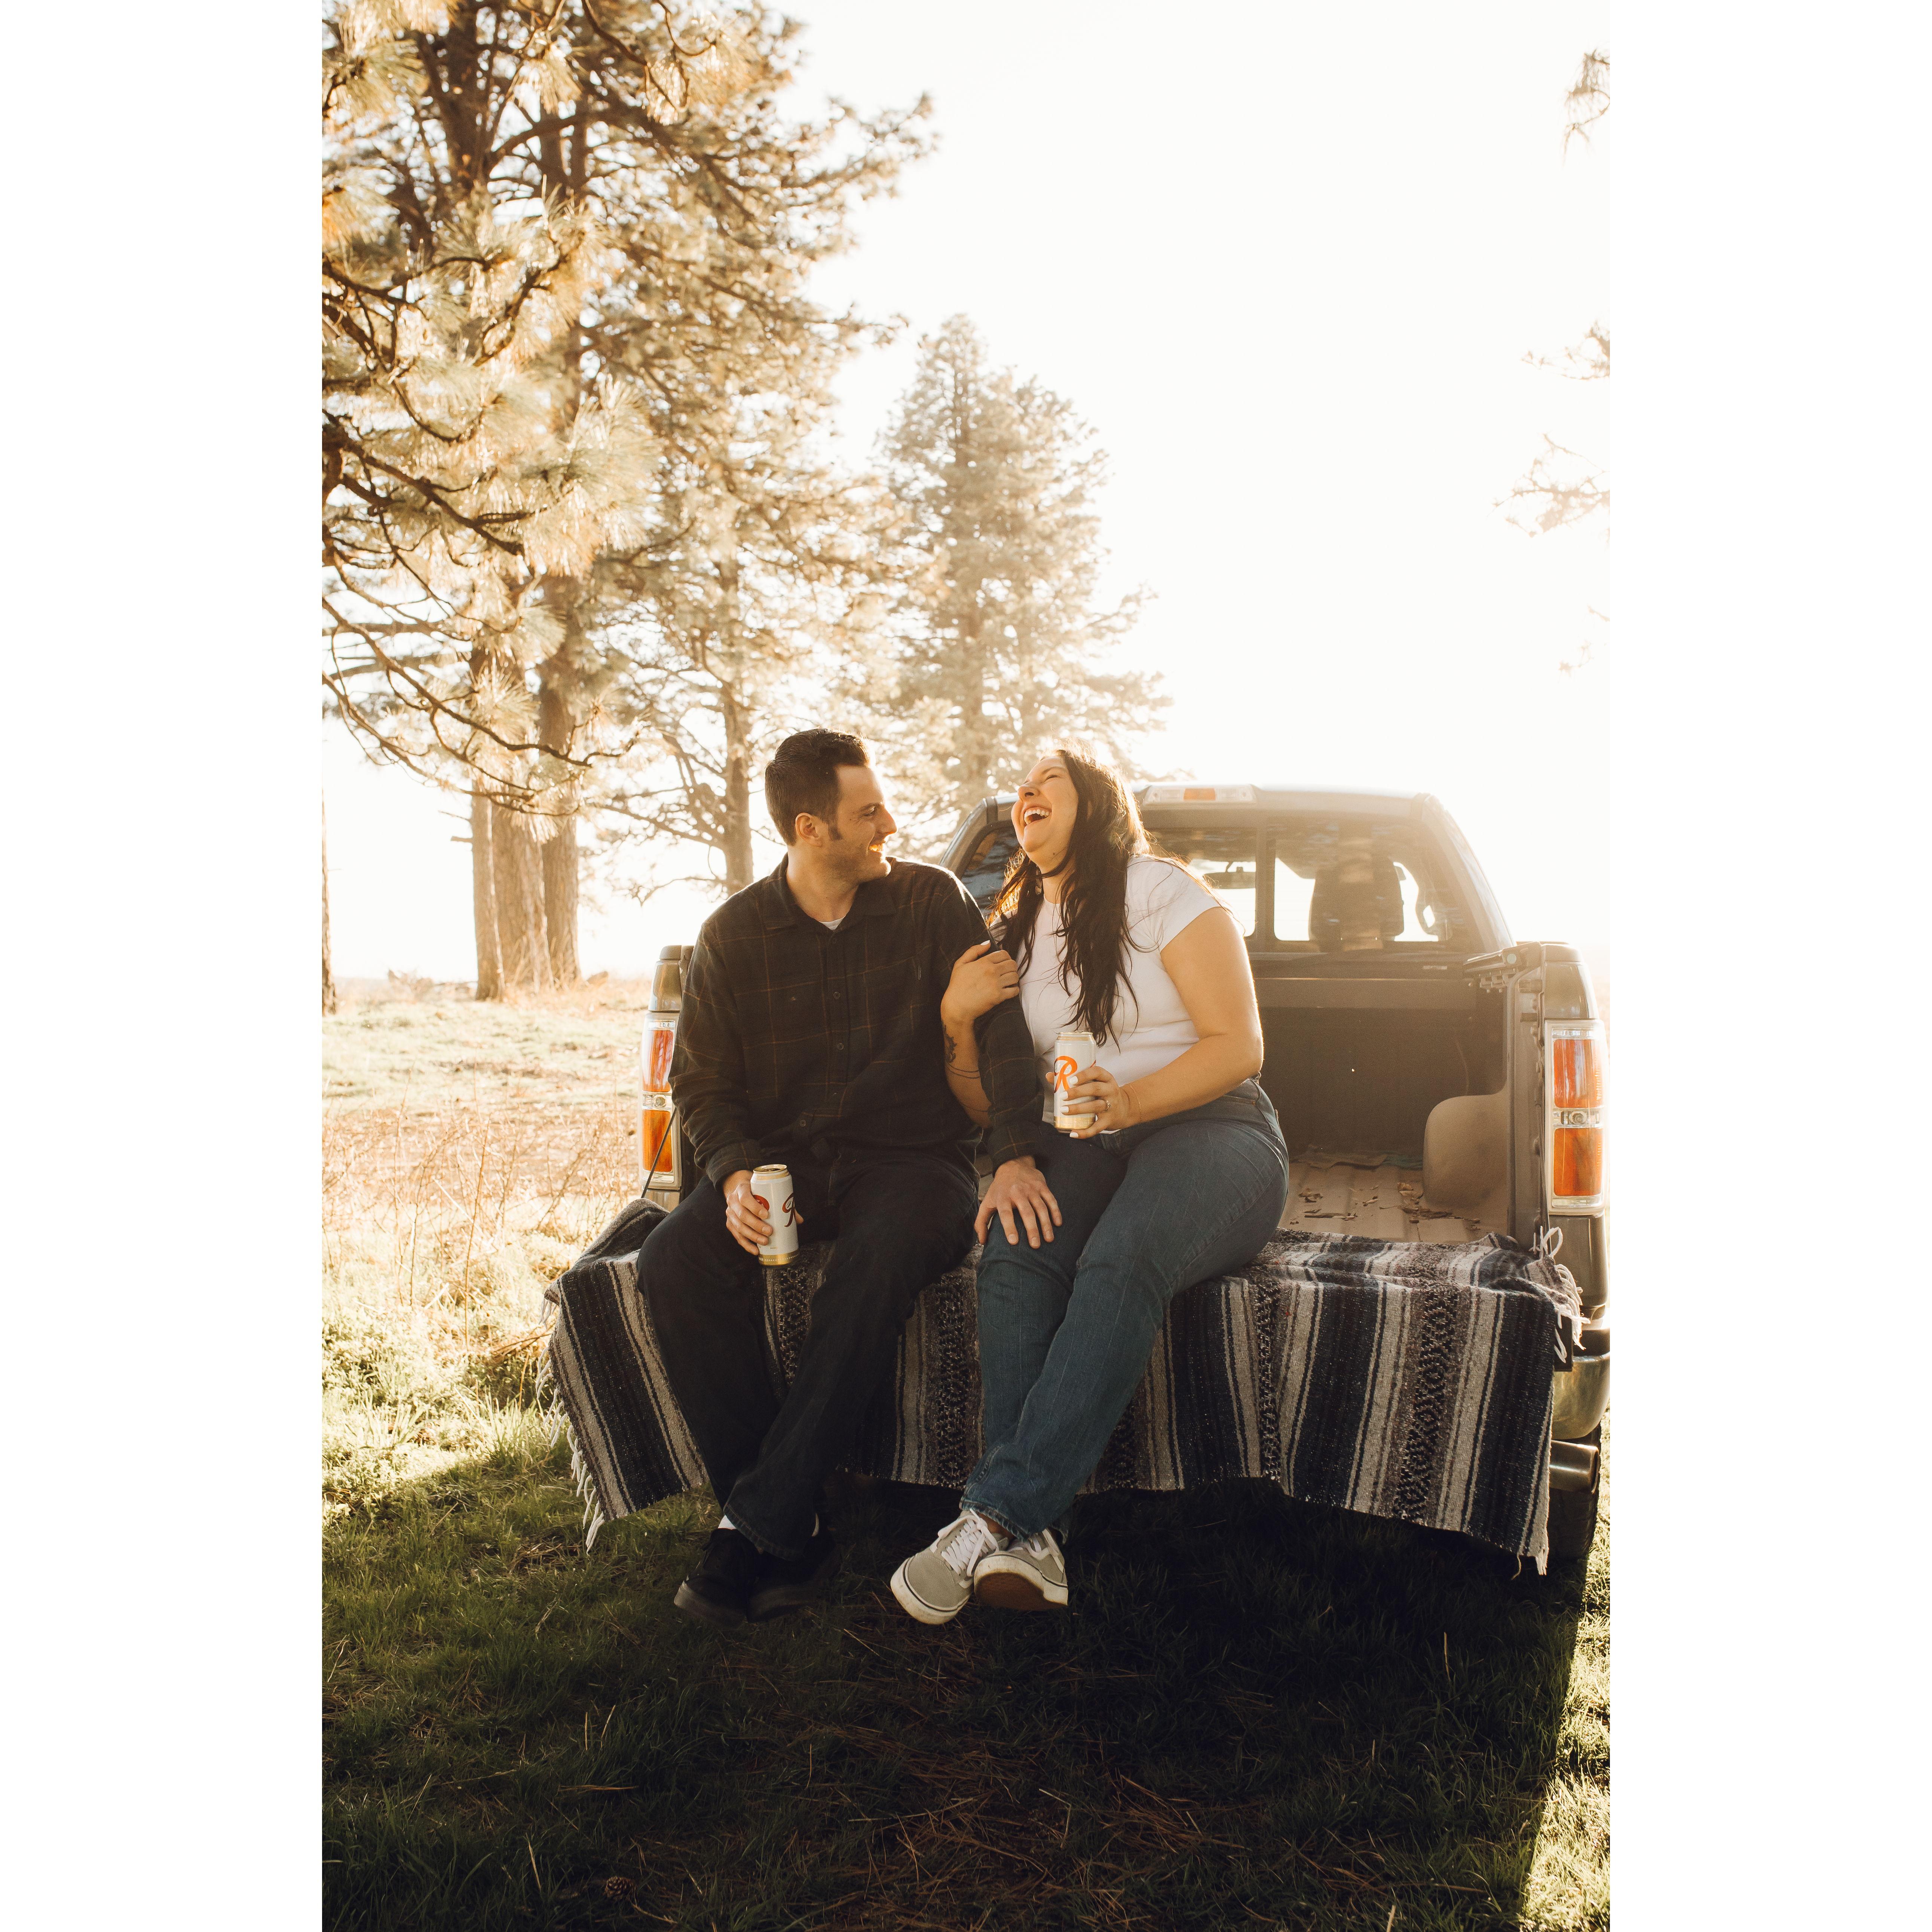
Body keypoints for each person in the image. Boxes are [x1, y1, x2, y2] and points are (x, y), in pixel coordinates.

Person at [642, 730, 1038, 1629]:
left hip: (914, 1164)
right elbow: (700, 1083)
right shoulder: (732, 934)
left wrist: (1015, 1149)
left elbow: (1003, 1032)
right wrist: (733, 1175)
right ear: (811, 830)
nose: (889, 824)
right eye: (869, 813)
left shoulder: (933, 902)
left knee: (879, 1258)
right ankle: (787, 1518)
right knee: (671, 1261)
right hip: (785, 1168)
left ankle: (756, 1526)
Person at [890, 748, 1290, 1625]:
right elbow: (986, 1100)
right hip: (1084, 1139)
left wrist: (1134, 1100)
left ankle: (991, 1515)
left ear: (1098, 805)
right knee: (1016, 1248)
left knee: (1122, 1257)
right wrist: (957, 1019)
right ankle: (1032, 1543)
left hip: (1215, 1127)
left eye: (1051, 779)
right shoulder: (1015, 930)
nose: (1026, 790)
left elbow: (1239, 1045)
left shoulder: (1161, 890)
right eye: (1022, 784)